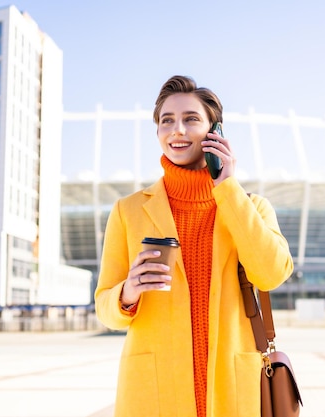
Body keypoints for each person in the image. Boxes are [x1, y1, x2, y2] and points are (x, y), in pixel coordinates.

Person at [94, 75, 294, 417]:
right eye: (166, 121)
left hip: (233, 388)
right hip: (155, 391)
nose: (177, 130)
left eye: (191, 119)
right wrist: (127, 292)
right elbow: (104, 307)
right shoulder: (127, 211)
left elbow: (272, 274)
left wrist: (227, 188)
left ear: (215, 130)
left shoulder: (250, 207)